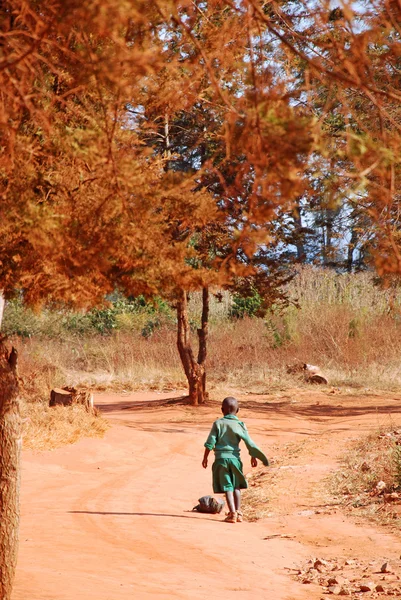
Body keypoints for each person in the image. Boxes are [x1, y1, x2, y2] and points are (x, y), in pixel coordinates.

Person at [202, 396, 269, 523]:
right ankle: (239, 513)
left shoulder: (218, 423)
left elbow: (210, 443)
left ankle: (232, 513)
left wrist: (205, 458)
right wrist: (253, 456)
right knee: (236, 486)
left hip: (221, 460)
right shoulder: (240, 424)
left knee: (228, 486)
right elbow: (249, 442)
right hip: (235, 460)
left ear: (222, 410)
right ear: (238, 410)